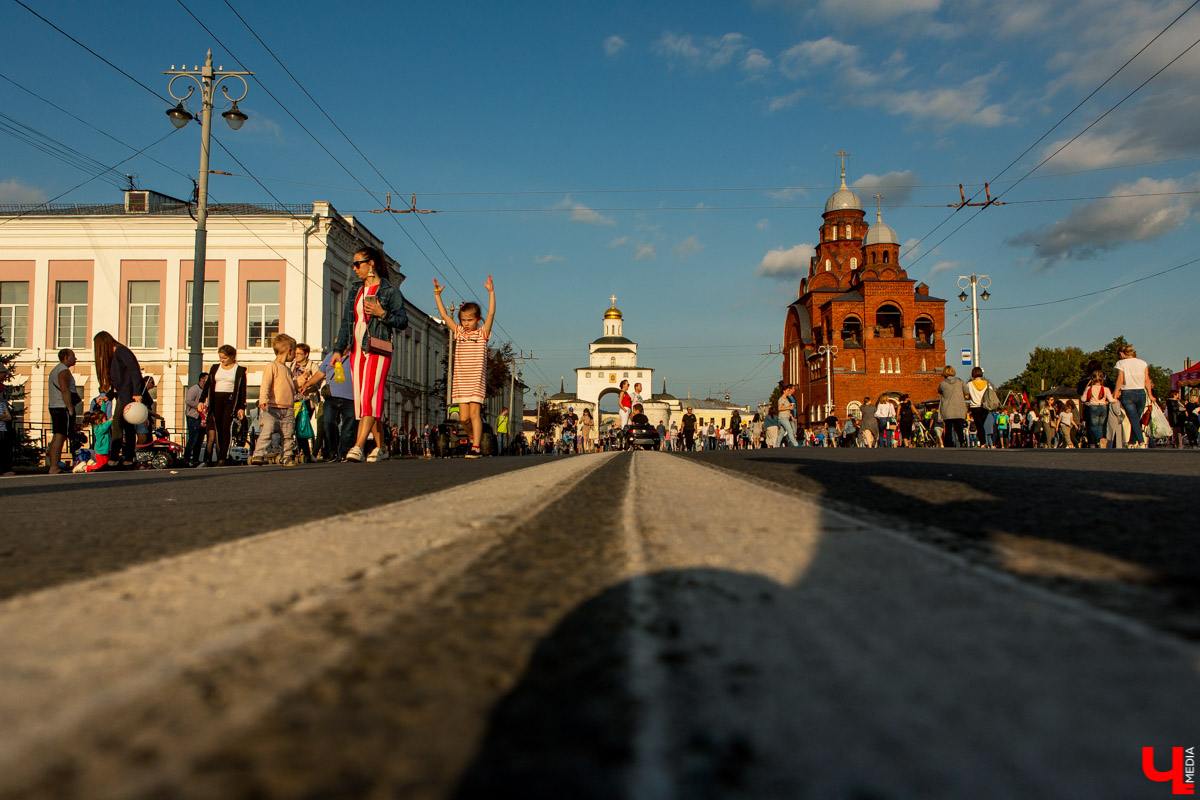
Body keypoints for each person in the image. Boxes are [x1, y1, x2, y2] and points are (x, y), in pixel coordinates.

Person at [329, 248, 408, 462]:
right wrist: (338, 350)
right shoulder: (355, 289)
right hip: (356, 350)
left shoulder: (389, 291)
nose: (354, 268)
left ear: (371, 264)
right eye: (353, 264)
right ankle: (382, 448)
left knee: (368, 397)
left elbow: (402, 321)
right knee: (364, 401)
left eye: (358, 264)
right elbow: (346, 322)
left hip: (378, 348)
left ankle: (358, 446)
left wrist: (382, 314)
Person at [433, 274, 494, 459]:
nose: (466, 324)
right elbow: (444, 315)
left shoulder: (483, 333)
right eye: (464, 320)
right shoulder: (458, 332)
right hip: (461, 381)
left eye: (470, 320)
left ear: (478, 320)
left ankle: (475, 446)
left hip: (476, 379)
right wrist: (437, 294)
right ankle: (471, 436)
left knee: (475, 414)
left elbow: (491, 314)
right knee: (464, 418)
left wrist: (491, 292)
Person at [93, 332, 143, 469]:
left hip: (128, 394)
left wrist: (137, 393)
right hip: (123, 393)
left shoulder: (121, 352)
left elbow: (134, 371)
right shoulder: (115, 355)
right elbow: (117, 381)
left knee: (118, 424)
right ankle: (126, 458)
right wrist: (108, 395)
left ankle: (116, 458)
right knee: (126, 426)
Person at [250, 334, 299, 467]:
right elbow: (265, 384)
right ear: (289, 350)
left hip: (288, 408)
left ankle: (287, 456)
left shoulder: (288, 370)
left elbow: (292, 386)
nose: (295, 355)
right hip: (272, 407)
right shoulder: (272, 366)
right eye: (294, 352)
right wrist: (263, 399)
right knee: (267, 431)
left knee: (288, 434)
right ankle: (258, 454)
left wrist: (301, 380)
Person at [197, 344, 247, 467]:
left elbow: (242, 390)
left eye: (224, 358)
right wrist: (201, 400)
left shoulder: (239, 370)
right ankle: (220, 453)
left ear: (232, 357)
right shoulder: (215, 368)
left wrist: (242, 407)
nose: (222, 360)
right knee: (218, 427)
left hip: (230, 400)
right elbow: (208, 384)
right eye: (220, 357)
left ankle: (222, 457)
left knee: (226, 427)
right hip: (216, 399)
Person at [1114, 344, 1154, 449]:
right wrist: (1150, 394)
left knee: (1133, 418)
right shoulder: (1143, 363)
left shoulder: (1121, 363)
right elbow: (1147, 380)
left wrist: (1115, 392)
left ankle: (1141, 442)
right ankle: (1131, 441)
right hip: (1141, 392)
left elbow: (1120, 379)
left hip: (1127, 392)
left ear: (1122, 353)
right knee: (1136, 418)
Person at [46, 348, 78, 474]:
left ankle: (54, 464)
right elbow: (65, 389)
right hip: (62, 407)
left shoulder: (55, 369)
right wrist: (70, 407)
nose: (75, 358)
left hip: (55, 406)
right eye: (73, 356)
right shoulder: (63, 370)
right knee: (61, 435)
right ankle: (54, 467)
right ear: (66, 357)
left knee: (58, 435)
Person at [1080, 371, 1113, 449]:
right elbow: (1111, 400)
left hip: (1093, 407)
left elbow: (1083, 399)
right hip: (1103, 407)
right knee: (1101, 426)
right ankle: (1101, 440)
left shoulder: (1089, 388)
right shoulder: (1106, 389)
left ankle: (1099, 439)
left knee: (1093, 426)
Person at [937, 366, 968, 448]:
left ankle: (948, 443)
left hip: (947, 408)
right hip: (959, 408)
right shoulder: (960, 381)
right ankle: (962, 441)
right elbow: (966, 391)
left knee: (948, 427)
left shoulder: (943, 383)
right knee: (959, 428)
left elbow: (939, 391)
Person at [183, 373, 208, 467]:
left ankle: (195, 459)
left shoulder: (206, 390)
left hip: (202, 418)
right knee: (193, 438)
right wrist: (199, 406)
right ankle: (186, 458)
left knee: (200, 439)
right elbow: (188, 401)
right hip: (193, 417)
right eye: (206, 379)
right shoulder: (194, 389)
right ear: (202, 379)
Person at [0, 365, 14, 476]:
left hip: (4, 424)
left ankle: (5, 468)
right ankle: (4, 469)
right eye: (3, 372)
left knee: (5, 446)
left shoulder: (2, 388)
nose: (6, 375)